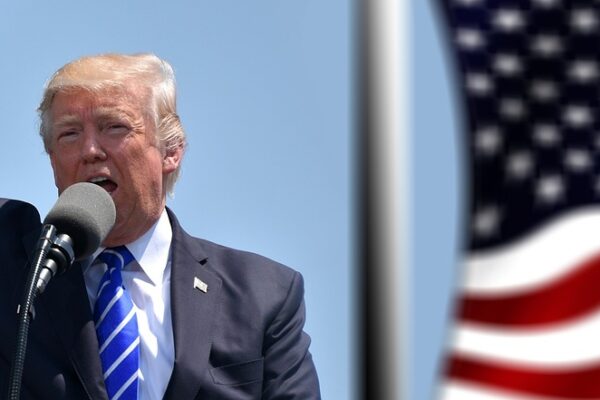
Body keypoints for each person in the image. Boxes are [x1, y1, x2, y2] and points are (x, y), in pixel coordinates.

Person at [0, 53, 320, 399]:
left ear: (171, 150)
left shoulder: (262, 294)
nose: (90, 150)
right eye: (69, 134)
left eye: (114, 127)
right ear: (52, 161)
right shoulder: (14, 260)